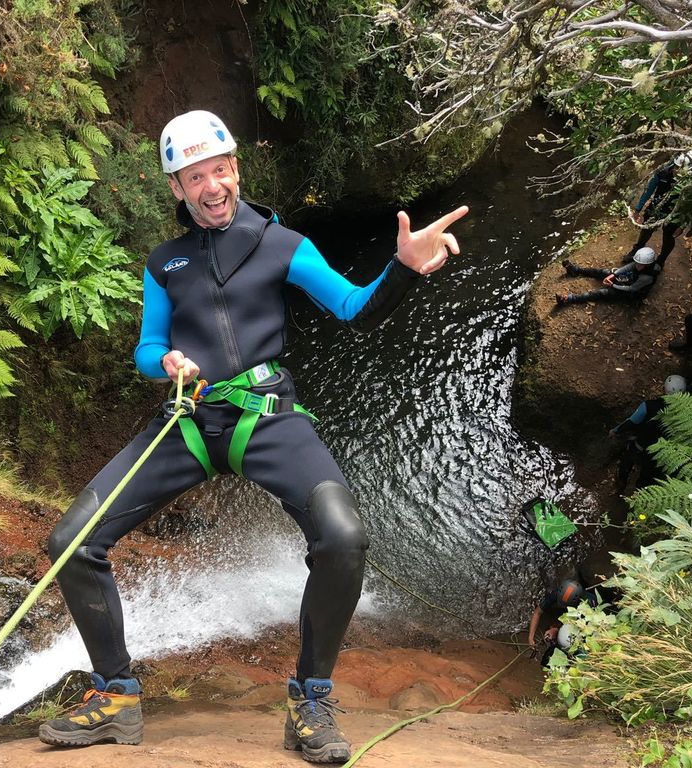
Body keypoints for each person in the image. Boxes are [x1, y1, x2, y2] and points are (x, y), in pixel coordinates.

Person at [38, 110, 468, 764]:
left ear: (236, 170)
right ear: (176, 188)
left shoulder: (282, 245)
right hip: (188, 421)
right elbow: (148, 348)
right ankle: (117, 696)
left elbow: (353, 307)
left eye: (220, 169)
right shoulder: (166, 262)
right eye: (194, 176)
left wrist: (403, 269)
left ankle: (312, 697)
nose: (212, 186)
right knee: (71, 541)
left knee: (344, 538)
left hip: (266, 416)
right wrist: (167, 364)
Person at [610, 374, 687, 494]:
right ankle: (639, 495)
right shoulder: (684, 415)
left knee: (626, 462)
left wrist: (616, 430)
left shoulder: (649, 406)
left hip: (640, 446)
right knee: (647, 477)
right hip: (660, 454)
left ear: (664, 389)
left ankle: (621, 484)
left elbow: (631, 421)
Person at [622, 151, 692, 270]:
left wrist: (682, 225)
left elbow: (690, 203)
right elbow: (648, 191)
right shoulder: (662, 173)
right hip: (656, 207)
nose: (677, 171)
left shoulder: (691, 181)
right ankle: (636, 250)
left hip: (674, 212)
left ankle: (661, 260)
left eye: (680, 168)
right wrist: (638, 209)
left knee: (668, 237)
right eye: (676, 167)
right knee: (646, 230)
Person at [555, 247, 658, 306]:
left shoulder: (647, 277)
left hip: (630, 292)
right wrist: (613, 275)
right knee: (603, 272)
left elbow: (631, 289)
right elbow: (629, 267)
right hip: (629, 279)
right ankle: (576, 270)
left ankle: (569, 298)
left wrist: (612, 285)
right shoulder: (639, 265)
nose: (637, 265)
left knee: (601, 292)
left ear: (648, 265)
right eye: (637, 263)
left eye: (640, 264)